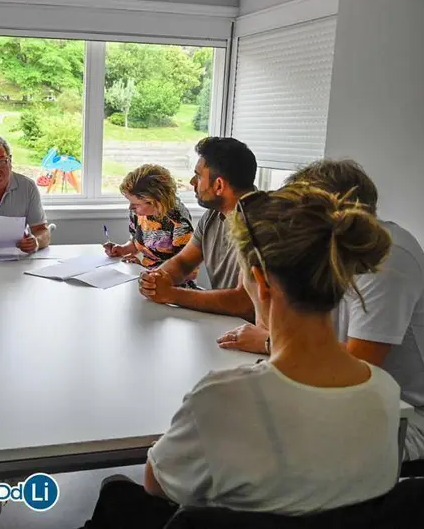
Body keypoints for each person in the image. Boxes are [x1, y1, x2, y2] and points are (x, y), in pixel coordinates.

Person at [81, 183, 400, 528]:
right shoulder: (385, 392)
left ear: (260, 282)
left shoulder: (221, 397)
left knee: (116, 493)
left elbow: (156, 483)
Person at [218, 159, 424, 461]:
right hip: (350, 396)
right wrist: (254, 278)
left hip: (413, 417)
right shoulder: (325, 255)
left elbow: (362, 364)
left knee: (258, 445)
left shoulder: (387, 260)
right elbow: (273, 325)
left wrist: (268, 343)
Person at [138, 137, 256, 320]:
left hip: (257, 335)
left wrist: (171, 294)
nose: (193, 181)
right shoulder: (213, 215)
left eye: (199, 175)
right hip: (227, 324)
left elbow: (244, 303)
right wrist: (156, 278)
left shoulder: (261, 224)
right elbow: (183, 262)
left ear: (219, 185)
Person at [104, 164, 196, 277]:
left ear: (155, 202)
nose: (130, 208)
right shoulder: (138, 212)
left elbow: (189, 270)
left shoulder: (178, 220)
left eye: (136, 204)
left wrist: (146, 270)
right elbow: (136, 242)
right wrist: (121, 249)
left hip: (172, 286)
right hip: (146, 277)